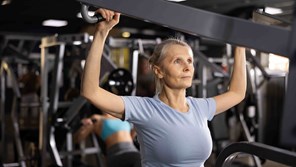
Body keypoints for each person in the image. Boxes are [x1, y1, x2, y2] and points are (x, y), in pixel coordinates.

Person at [80, 8, 246, 167]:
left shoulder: (200, 107)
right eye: (177, 61)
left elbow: (237, 93)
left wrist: (240, 46)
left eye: (189, 61)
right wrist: (101, 33)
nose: (187, 67)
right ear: (159, 71)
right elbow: (91, 91)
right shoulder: (145, 109)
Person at [74, 111, 141, 167]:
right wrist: (84, 127)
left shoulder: (123, 116)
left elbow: (131, 137)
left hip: (133, 151)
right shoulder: (97, 118)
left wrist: (137, 127)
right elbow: (77, 139)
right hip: (116, 154)